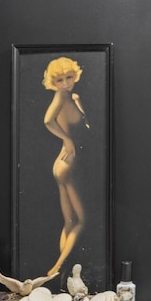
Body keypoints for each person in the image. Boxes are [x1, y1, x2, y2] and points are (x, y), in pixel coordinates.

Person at [42, 57, 90, 278]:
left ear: (75, 76)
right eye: (60, 80)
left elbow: (86, 124)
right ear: (54, 82)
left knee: (69, 222)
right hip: (68, 164)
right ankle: (58, 267)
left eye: (69, 77)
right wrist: (68, 140)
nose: (65, 83)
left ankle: (62, 276)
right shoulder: (61, 96)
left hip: (63, 164)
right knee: (82, 221)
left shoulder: (74, 96)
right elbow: (47, 121)